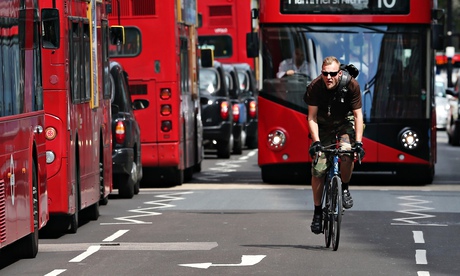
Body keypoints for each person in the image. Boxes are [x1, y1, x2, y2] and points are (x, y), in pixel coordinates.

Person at [303, 56, 365, 234]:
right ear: (321, 73)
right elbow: (312, 117)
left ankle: (344, 187)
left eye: (332, 74)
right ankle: (317, 212)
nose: (328, 77)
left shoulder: (351, 85)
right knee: (318, 169)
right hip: (323, 125)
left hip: (344, 123)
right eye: (325, 73)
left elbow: (358, 115)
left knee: (347, 153)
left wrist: (359, 143)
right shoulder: (315, 87)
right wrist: (316, 142)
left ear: (339, 73)